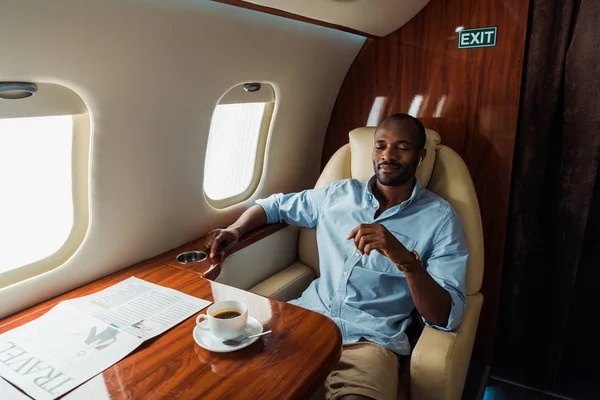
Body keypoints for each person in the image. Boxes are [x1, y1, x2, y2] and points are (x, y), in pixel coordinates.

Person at [205, 113, 468, 400]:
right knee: (232, 385)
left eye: (401, 147)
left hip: (369, 342)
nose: (387, 155)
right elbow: (274, 206)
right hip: (305, 323)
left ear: (421, 155)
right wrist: (235, 229)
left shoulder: (440, 219)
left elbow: (445, 316)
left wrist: (405, 259)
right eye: (380, 146)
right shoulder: (338, 194)